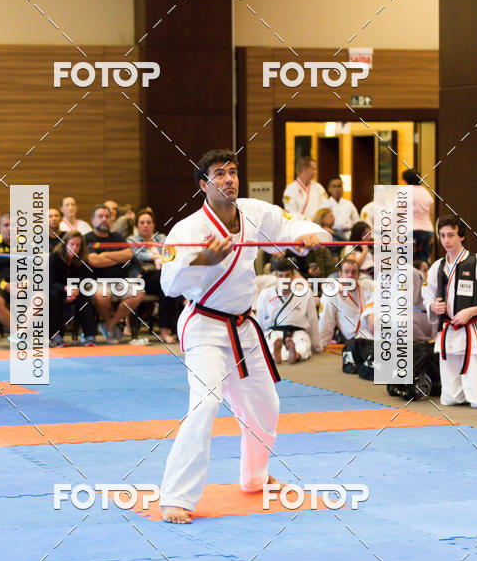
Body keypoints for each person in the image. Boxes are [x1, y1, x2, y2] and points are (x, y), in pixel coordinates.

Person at [159, 148, 328, 523]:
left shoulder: (254, 211)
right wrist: (202, 260)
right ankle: (177, 497)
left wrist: (309, 236)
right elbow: (169, 284)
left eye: (232, 172)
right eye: (219, 174)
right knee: (205, 403)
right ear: (204, 185)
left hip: (245, 325)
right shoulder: (187, 230)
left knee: (266, 406)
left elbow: (289, 227)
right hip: (204, 325)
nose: (229, 179)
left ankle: (254, 477)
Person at [422, 215, 477, 408]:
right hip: (448, 334)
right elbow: (426, 294)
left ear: (461, 236)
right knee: (450, 399)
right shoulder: (437, 267)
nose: (446, 240)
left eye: (451, 235)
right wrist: (432, 306)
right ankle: (469, 389)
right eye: (443, 235)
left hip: (473, 333)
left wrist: (473, 311)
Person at [85, 205, 144, 342]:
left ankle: (110, 325)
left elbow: (128, 254)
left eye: (107, 216)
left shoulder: (117, 236)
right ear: (92, 220)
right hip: (96, 281)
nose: (104, 219)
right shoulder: (87, 238)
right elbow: (94, 261)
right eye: (100, 216)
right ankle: (109, 324)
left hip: (120, 280)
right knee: (102, 296)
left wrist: (104, 255)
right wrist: (116, 257)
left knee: (139, 293)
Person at [128, 206, 180, 344]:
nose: (146, 225)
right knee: (169, 283)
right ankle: (168, 328)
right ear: (137, 226)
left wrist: (157, 257)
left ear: (153, 225)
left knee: (167, 288)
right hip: (142, 279)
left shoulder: (162, 238)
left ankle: (166, 330)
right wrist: (156, 256)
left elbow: (171, 255)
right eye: (142, 223)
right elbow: (139, 255)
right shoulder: (132, 240)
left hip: (161, 278)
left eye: (149, 222)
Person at [256, 259, 320, 365]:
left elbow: (313, 320)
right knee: (269, 341)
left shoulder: (305, 293)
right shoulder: (265, 294)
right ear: (276, 275)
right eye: (281, 276)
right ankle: (274, 354)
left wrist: (316, 345)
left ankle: (295, 354)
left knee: (303, 343)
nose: (284, 279)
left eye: (287, 275)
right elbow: (260, 322)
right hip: (274, 332)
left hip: (298, 331)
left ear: (293, 276)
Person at [49, 231, 97, 347]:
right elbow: (50, 282)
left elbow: (86, 280)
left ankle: (89, 335)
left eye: (78, 245)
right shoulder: (55, 257)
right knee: (54, 296)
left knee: (85, 297)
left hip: (74, 291)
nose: (75, 248)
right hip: (58, 289)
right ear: (65, 244)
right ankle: (56, 336)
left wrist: (75, 291)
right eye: (72, 244)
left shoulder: (83, 260)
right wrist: (66, 289)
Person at [317, 256, 374, 349]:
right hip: (353, 341)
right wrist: (321, 346)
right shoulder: (332, 291)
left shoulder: (367, 286)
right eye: (346, 272)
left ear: (359, 275)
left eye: (354, 272)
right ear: (340, 275)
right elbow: (325, 321)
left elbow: (384, 284)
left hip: (372, 336)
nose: (350, 275)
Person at [402, 168, 435, 263]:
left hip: (410, 230)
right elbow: (431, 212)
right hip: (427, 230)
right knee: (425, 260)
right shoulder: (426, 193)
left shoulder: (404, 192)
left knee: (408, 261)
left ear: (406, 180)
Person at [282, 156, 328, 220]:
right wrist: (307, 221)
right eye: (313, 169)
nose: (316, 172)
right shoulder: (290, 189)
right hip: (299, 225)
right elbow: (291, 212)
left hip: (317, 224)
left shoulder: (319, 187)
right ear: (305, 169)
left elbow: (324, 207)